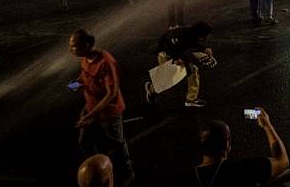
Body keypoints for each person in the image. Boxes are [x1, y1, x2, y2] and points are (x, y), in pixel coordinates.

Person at [69, 30, 133, 184]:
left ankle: (127, 172)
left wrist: (90, 116)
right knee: (84, 141)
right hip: (91, 107)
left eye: (75, 46)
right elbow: (85, 75)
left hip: (109, 112)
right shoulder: (85, 58)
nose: (72, 50)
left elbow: (112, 93)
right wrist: (75, 84)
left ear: (87, 45)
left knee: (117, 143)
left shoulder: (106, 62)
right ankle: (96, 170)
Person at [191, 112, 289, 187]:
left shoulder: (188, 178)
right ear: (226, 144)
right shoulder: (241, 169)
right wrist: (267, 126)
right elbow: (282, 162)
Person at [145, 21, 214, 108]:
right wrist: (176, 58)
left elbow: (191, 42)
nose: (209, 36)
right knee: (168, 79)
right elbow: (168, 45)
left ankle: (191, 99)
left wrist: (204, 49)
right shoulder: (183, 36)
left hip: (175, 52)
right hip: (166, 53)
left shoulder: (192, 33)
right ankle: (151, 89)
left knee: (192, 70)